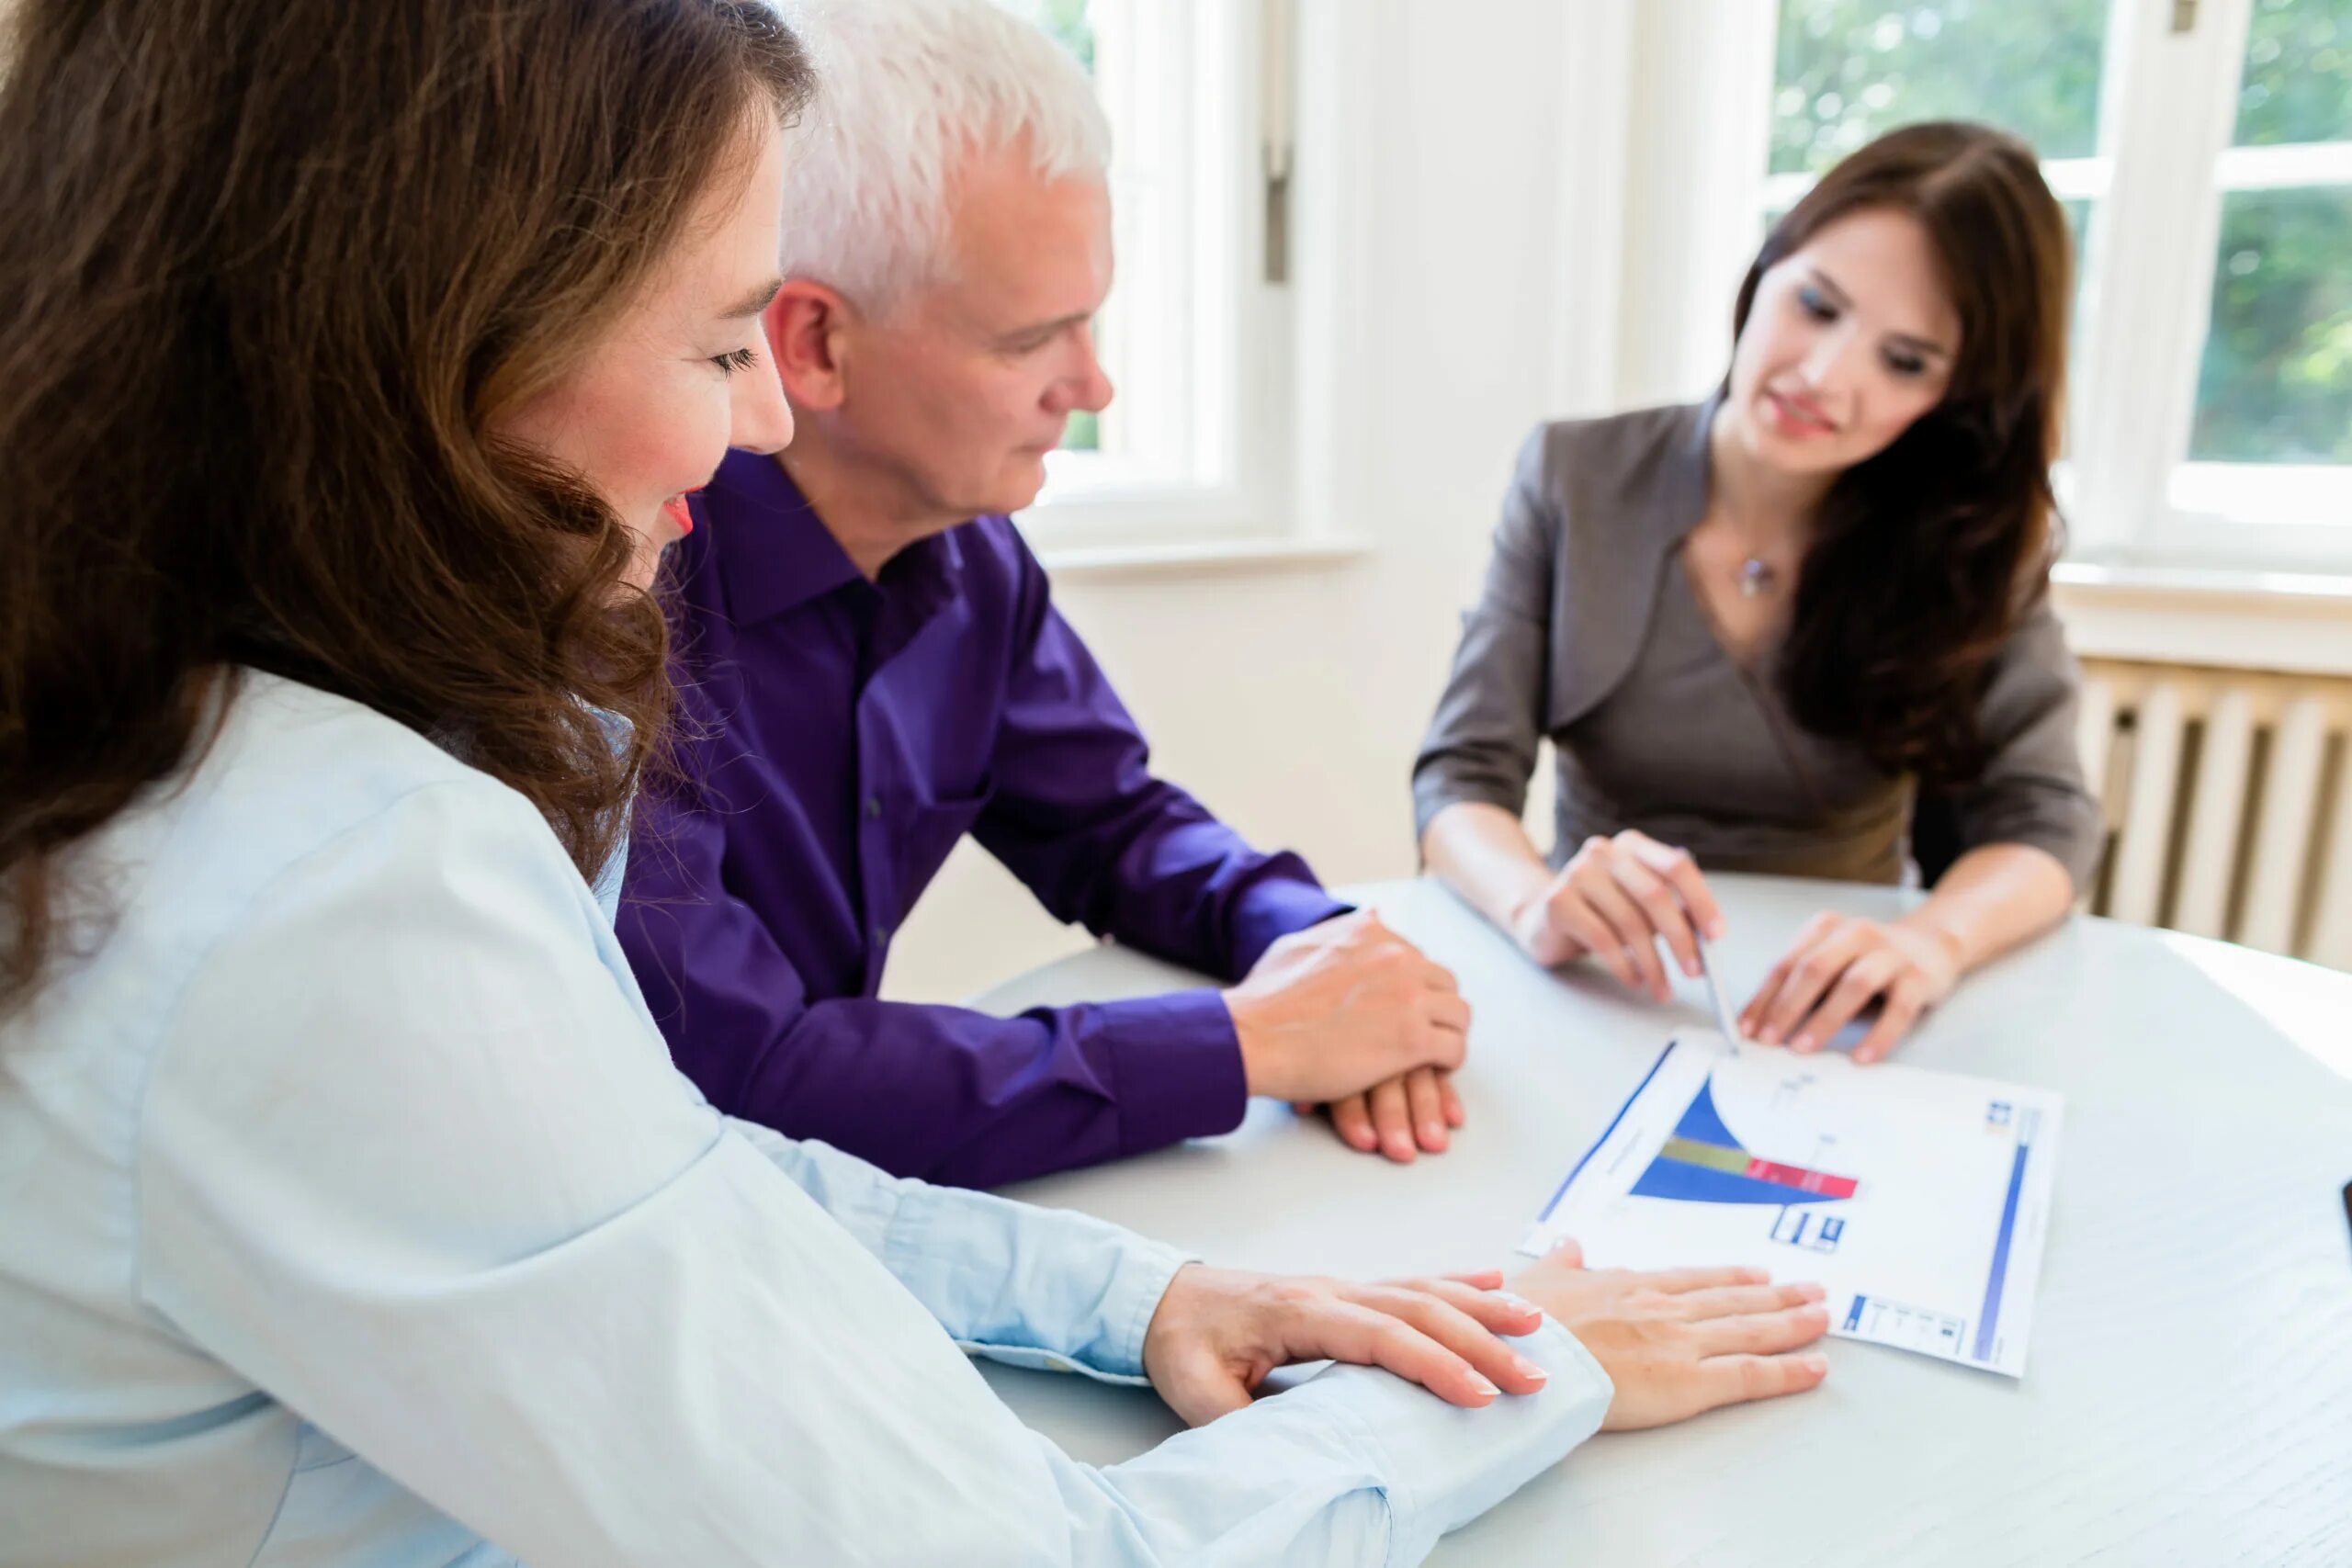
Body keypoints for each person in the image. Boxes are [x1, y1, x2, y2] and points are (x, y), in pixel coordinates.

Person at [0, 1, 1832, 1562]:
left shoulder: (232, 743)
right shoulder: (354, 881)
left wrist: (1146, 1284)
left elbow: (665, 1168)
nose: (753, 431)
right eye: (715, 346)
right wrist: (1537, 1362)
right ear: (424, 344)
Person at [620, 0, 1462, 1180]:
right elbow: (743, 1072)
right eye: (1033, 341)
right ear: (810, 345)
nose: (1095, 385)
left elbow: (1111, 825)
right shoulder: (623, 600)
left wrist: (1326, 951)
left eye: (1093, 320)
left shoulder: (966, 555)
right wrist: (1243, 1045)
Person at [1415, 122, 2102, 1065]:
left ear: (1957, 395)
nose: (1823, 378)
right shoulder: (1574, 476)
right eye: (1816, 305)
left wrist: (1930, 942)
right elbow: (1459, 778)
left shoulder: (1973, 543)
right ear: (1764, 267)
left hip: (1841, 1017)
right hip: (1601, 991)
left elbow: (2045, 821)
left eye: (1904, 361)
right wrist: (1536, 902)